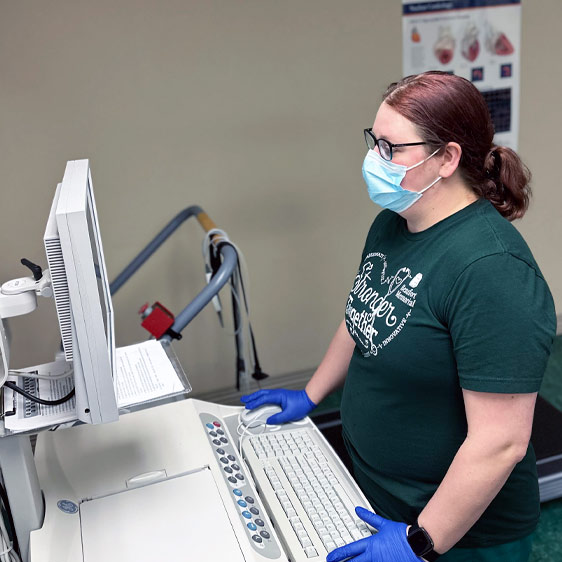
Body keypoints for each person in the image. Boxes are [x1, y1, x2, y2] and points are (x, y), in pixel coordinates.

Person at [241, 71, 556, 562]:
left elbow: (501, 442)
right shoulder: (394, 222)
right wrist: (311, 392)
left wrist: (421, 540)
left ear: (448, 158)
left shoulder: (492, 271)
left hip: (459, 533)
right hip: (378, 494)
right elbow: (362, 315)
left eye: (392, 148)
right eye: (374, 142)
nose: (374, 160)